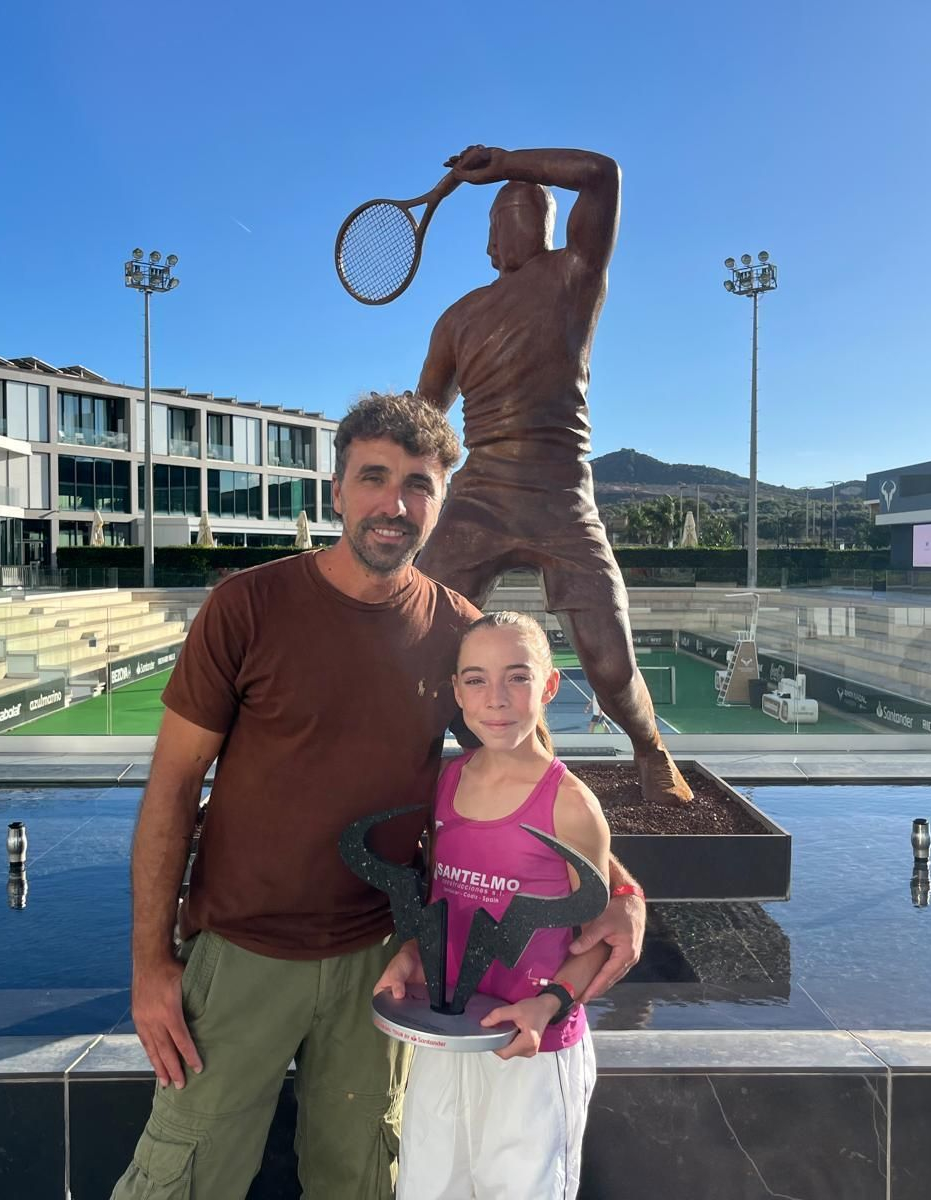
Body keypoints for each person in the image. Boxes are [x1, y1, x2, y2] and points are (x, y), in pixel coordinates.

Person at [111, 393, 648, 1200]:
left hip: (383, 967)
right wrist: (151, 961)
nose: (394, 504)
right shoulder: (247, 607)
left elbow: (529, 775)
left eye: (419, 485)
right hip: (242, 957)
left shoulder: (455, 635)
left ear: (440, 502)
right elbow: (173, 790)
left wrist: (628, 890)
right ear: (335, 490)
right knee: (182, 1177)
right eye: (374, 477)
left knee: (362, 1180)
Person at [414, 144, 692, 809]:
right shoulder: (458, 317)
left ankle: (652, 750)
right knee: (417, 638)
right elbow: (423, 417)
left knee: (608, 660)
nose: (500, 236)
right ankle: (456, 763)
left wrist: (511, 162)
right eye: (497, 221)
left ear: (534, 223)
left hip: (562, 490)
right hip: (479, 494)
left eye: (514, 213)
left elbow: (602, 175)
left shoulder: (574, 275)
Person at [375, 611, 611, 1200]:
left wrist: (548, 1005)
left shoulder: (571, 806)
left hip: (530, 1053)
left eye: (517, 677)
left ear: (550, 686)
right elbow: (442, 901)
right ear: (457, 692)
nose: (496, 699)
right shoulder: (447, 784)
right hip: (447, 1035)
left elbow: (600, 939)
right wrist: (410, 954)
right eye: (476, 680)